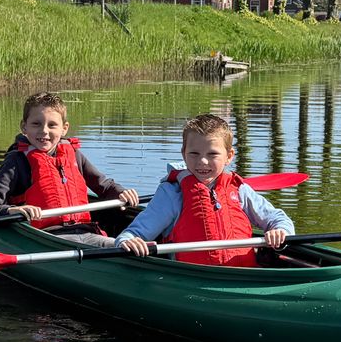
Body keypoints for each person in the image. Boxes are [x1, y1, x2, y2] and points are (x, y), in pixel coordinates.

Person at [115, 114, 294, 267]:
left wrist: (280, 231)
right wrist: (128, 241)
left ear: (229, 156)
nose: (202, 161)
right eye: (194, 154)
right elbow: (134, 233)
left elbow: (278, 219)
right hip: (194, 277)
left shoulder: (240, 191)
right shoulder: (171, 194)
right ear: (183, 153)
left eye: (212, 154)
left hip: (245, 275)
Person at [0, 91, 139, 246]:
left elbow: (105, 186)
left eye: (52, 125)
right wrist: (13, 211)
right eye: (36, 124)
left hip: (88, 234)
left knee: (125, 246)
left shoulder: (74, 155)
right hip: (46, 238)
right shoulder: (16, 161)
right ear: (24, 127)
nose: (44, 131)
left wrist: (121, 192)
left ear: (64, 128)